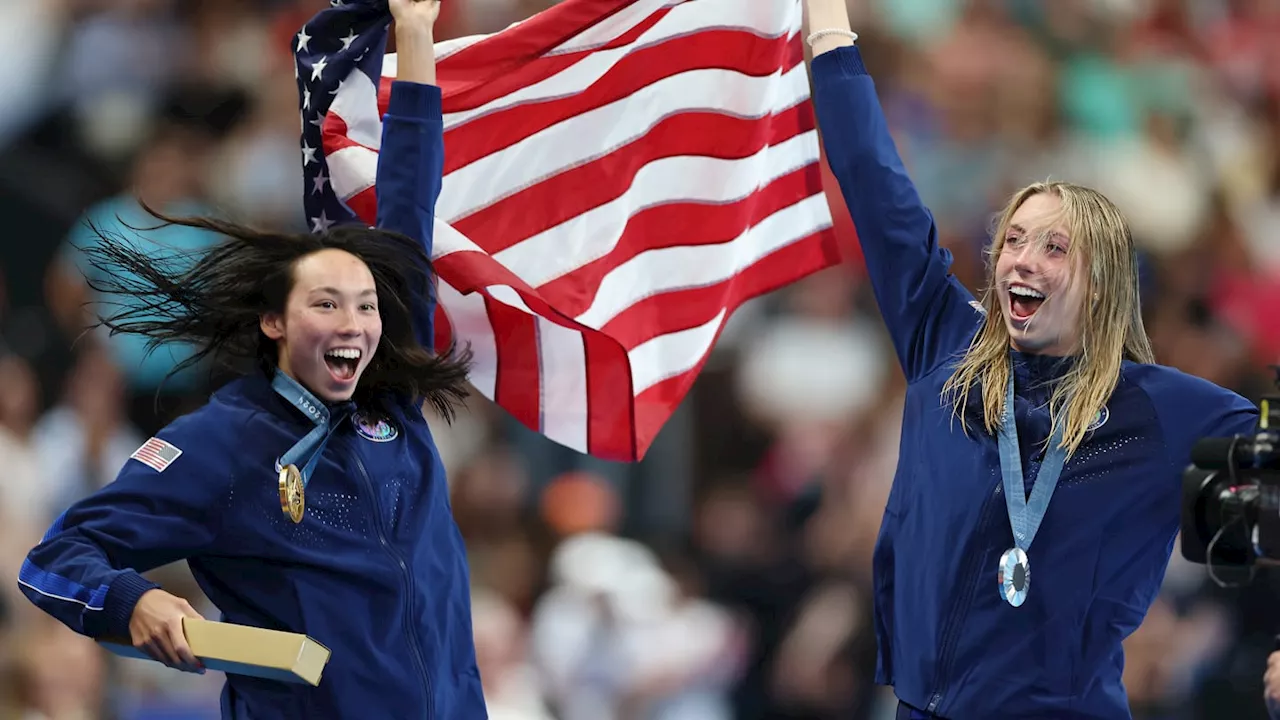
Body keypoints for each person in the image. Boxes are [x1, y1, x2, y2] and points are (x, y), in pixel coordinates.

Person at [16, 1, 488, 718]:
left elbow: (409, 205)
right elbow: (54, 561)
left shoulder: (388, 398)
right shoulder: (224, 442)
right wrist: (134, 601)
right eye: (325, 304)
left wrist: (416, 34)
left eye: (366, 306)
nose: (357, 324)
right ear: (274, 322)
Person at [802, 1, 1260, 718]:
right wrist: (828, 25)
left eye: (1055, 247)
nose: (1023, 258)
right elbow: (871, 176)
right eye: (1013, 239)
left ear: (1103, 282)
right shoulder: (943, 344)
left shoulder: (1166, 409)